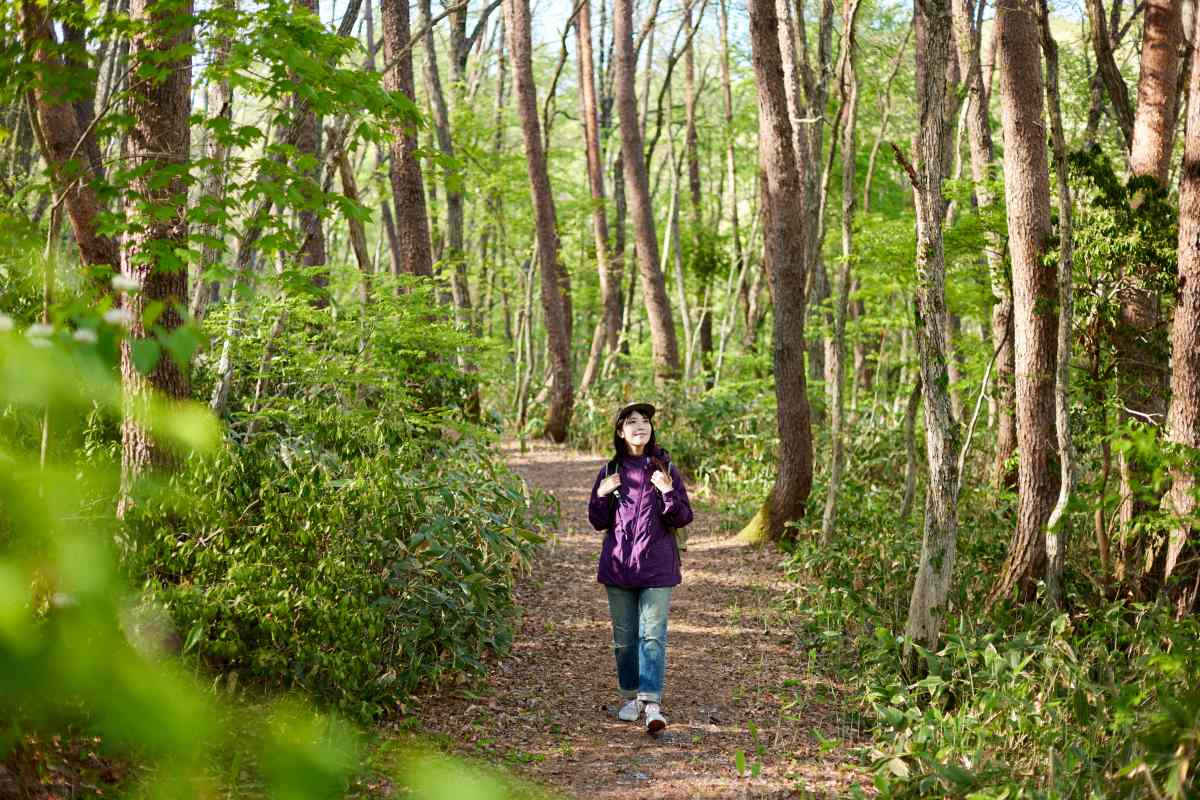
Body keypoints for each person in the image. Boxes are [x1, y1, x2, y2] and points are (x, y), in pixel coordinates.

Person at [588, 401, 694, 734]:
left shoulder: (665, 467)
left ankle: (652, 703)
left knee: (653, 635)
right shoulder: (609, 470)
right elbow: (597, 521)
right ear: (621, 431)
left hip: (657, 566)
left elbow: (683, 516)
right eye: (632, 422)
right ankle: (631, 696)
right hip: (618, 567)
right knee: (624, 639)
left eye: (645, 421)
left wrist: (668, 492)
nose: (640, 426)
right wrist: (602, 496)